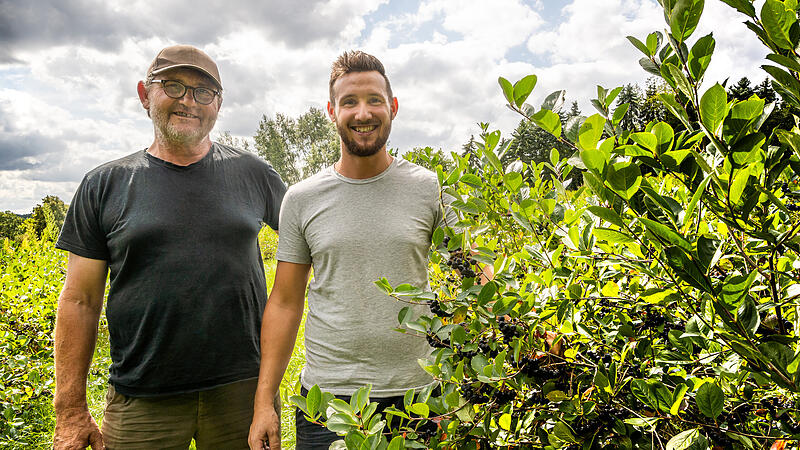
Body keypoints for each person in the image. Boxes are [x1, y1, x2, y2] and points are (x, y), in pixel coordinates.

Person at [53, 44, 286, 450]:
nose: (189, 101)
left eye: (204, 92)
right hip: (141, 401)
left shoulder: (254, 174)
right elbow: (79, 301)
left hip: (243, 394)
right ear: (145, 94)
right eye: (173, 86)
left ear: (218, 104)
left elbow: (312, 244)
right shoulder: (103, 185)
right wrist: (70, 408)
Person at [248, 50, 457, 450]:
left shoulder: (430, 189)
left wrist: (527, 328)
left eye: (374, 100)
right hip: (328, 402)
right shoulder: (302, 198)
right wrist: (263, 404)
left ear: (392, 107)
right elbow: (285, 303)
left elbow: (475, 273)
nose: (363, 113)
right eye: (349, 102)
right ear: (332, 111)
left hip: (419, 395)